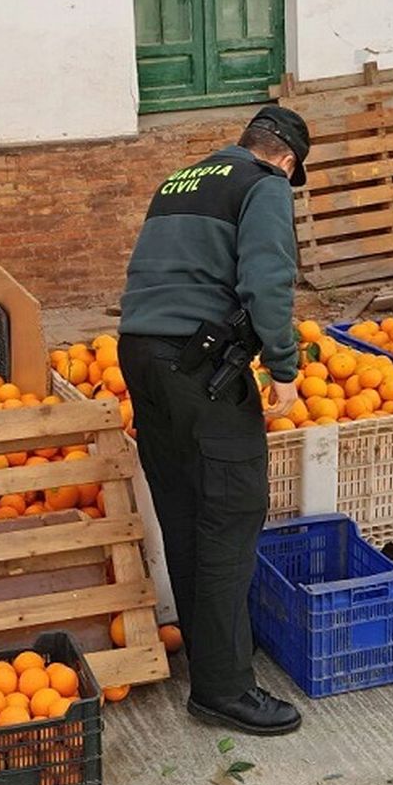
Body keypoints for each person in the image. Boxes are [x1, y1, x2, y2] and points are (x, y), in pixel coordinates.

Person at [116, 105, 310, 736]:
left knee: (183, 508)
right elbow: (268, 279)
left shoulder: (180, 179)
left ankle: (213, 650)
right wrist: (283, 366)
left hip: (141, 356)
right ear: (285, 158)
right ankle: (223, 691)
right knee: (229, 510)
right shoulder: (264, 183)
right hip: (198, 362)